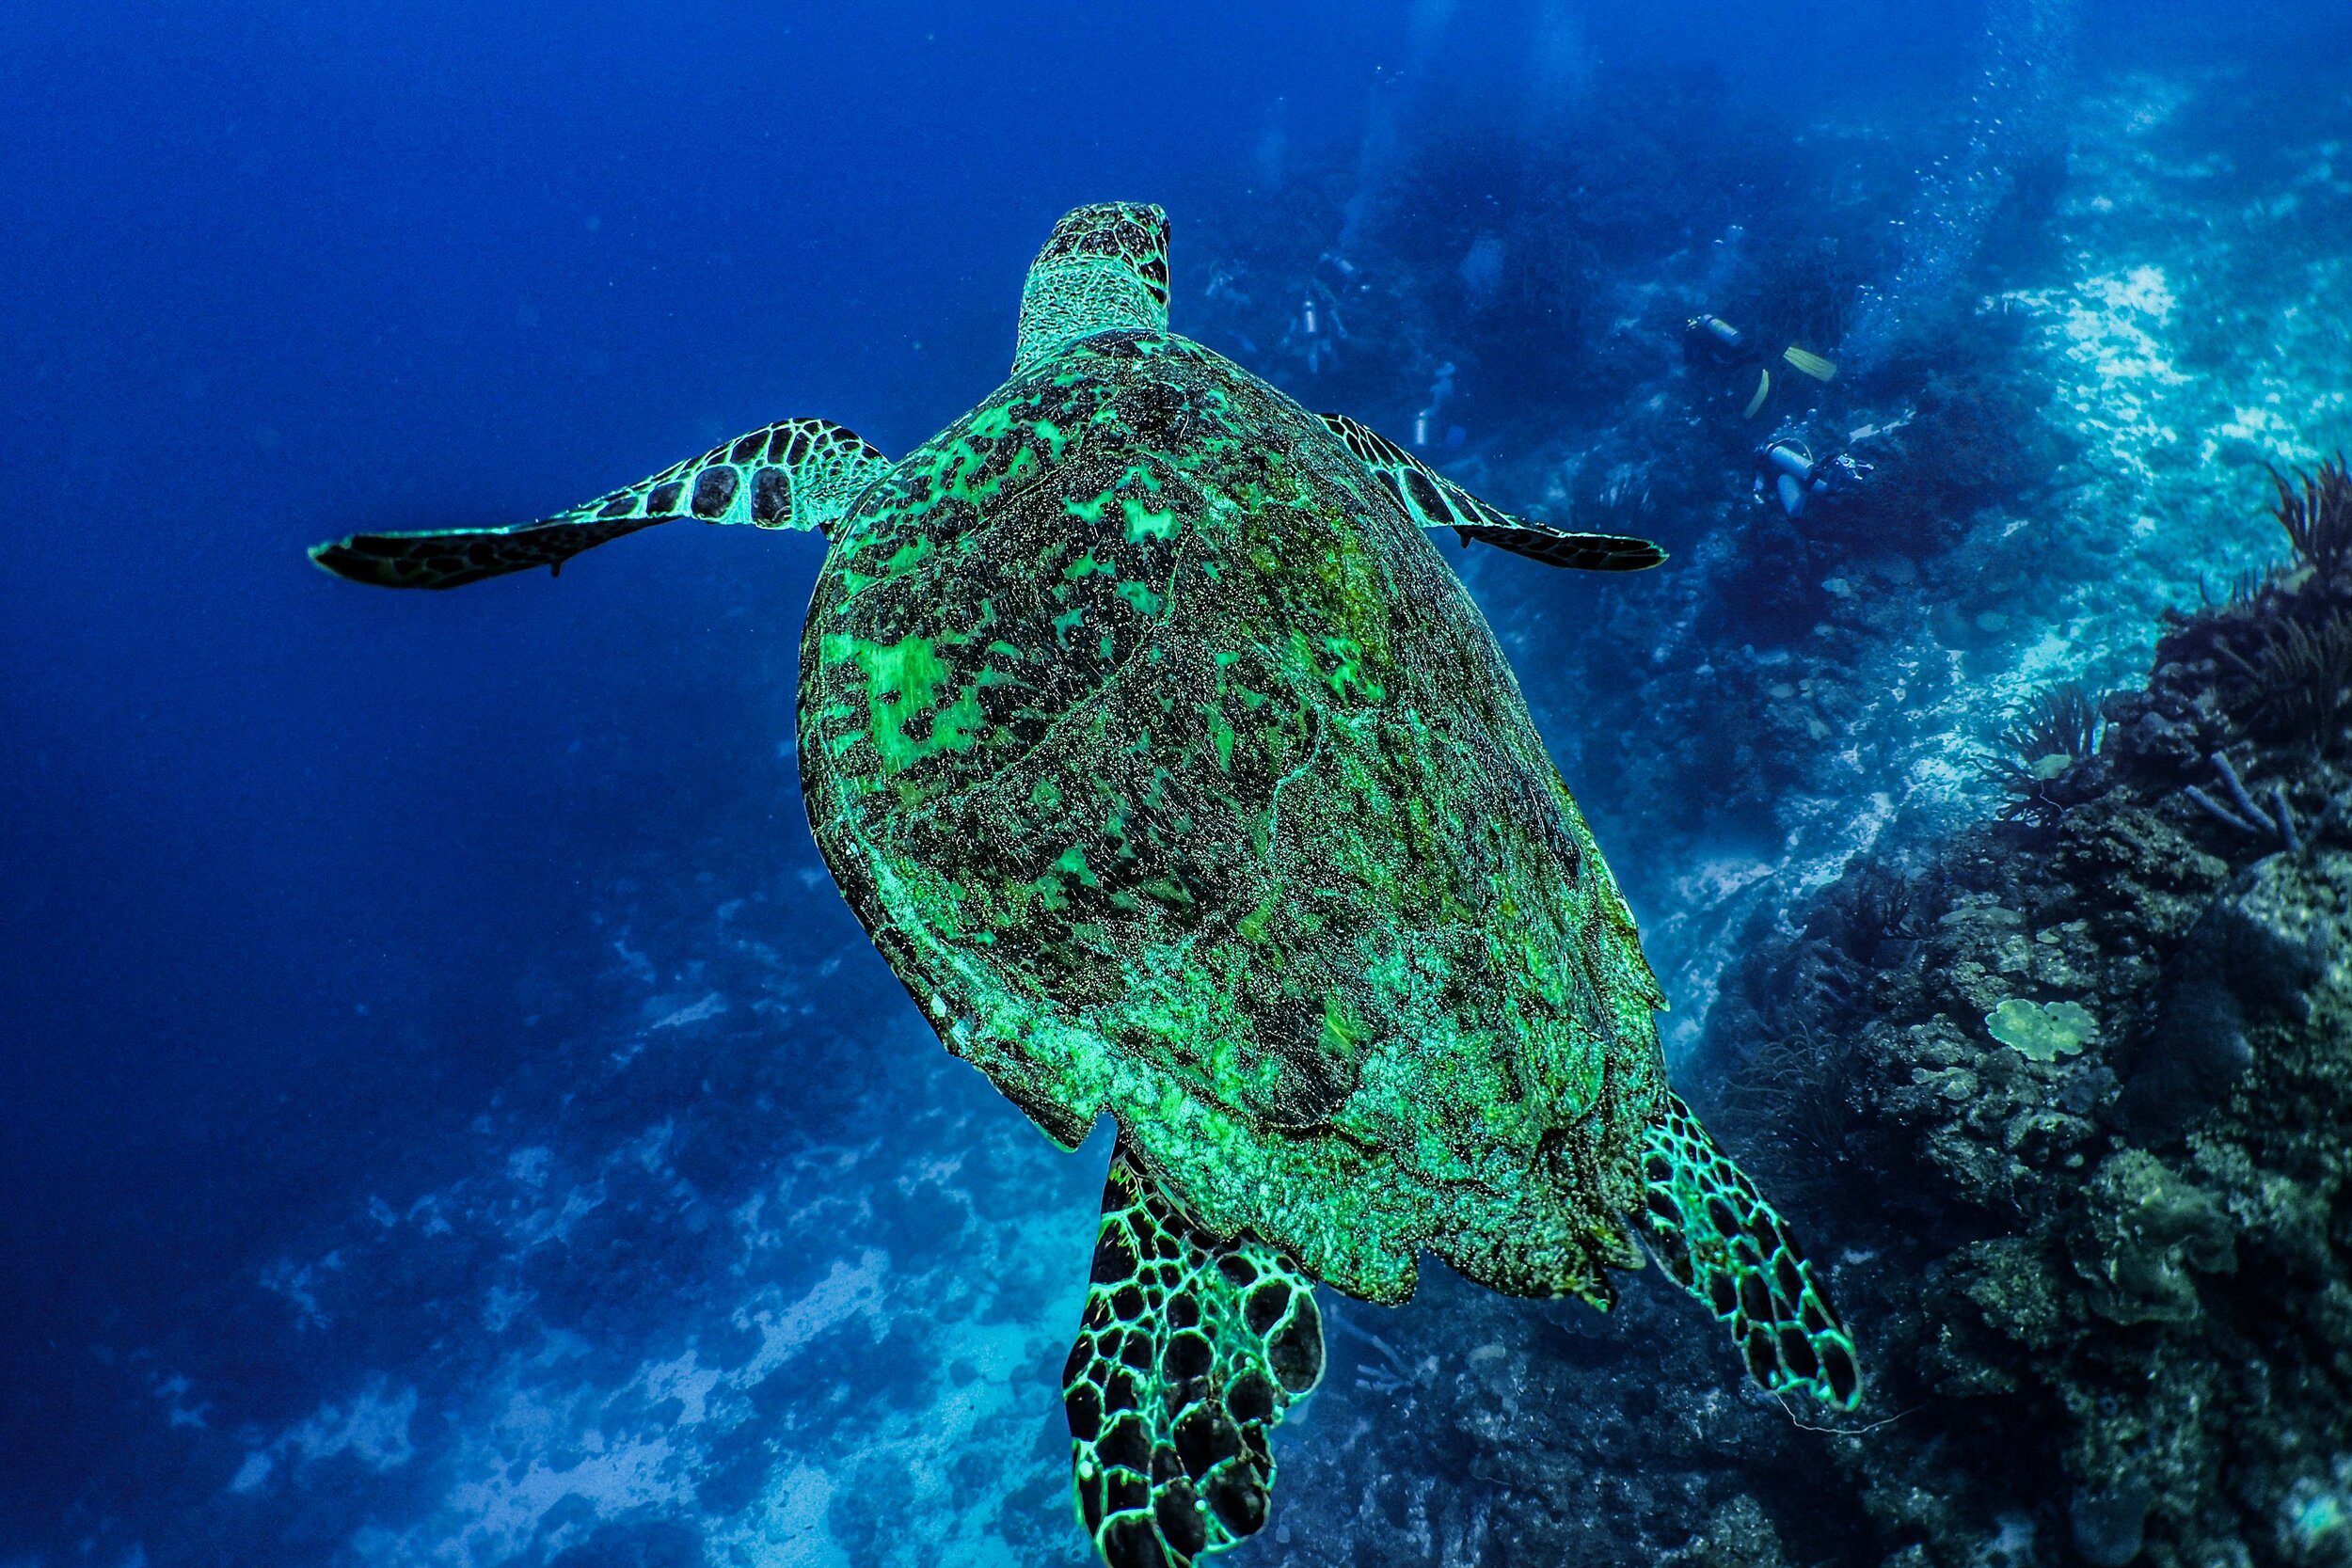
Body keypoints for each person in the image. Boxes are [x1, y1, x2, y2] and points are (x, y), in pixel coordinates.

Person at [1684, 312, 1838, 420]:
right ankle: (1827, 377)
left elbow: (1693, 361)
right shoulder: (1711, 323)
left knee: (1749, 363)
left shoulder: (1692, 337)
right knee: (1764, 355)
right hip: (1745, 347)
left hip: (1735, 358)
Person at [1753, 431, 1871, 519]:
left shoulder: (1759, 465)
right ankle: (1838, 464)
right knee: (1828, 490)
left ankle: (1808, 486)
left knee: (1794, 514)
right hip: (1801, 468)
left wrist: (1759, 496)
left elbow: (1759, 485)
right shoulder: (1781, 443)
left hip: (1784, 477)